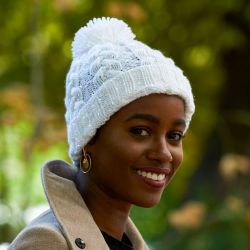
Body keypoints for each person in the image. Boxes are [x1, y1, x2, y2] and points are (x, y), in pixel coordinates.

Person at [8, 17, 195, 250]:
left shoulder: (128, 243)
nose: (164, 153)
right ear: (89, 136)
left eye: (174, 136)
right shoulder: (47, 242)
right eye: (140, 131)